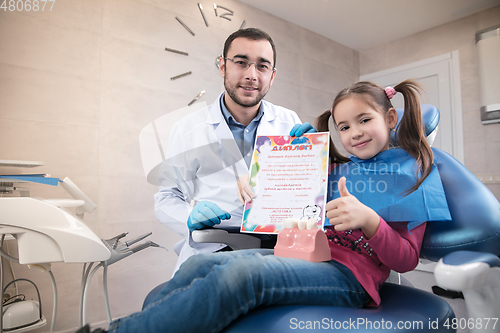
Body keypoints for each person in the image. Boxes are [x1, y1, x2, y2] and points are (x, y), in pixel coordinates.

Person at [79, 79, 451, 333]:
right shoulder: (336, 168)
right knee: (199, 262)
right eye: (343, 126)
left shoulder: (414, 174)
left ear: (390, 118)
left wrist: (371, 222)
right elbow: (284, 199)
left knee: (239, 278)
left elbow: (406, 260)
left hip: (351, 279)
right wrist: (270, 170)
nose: (354, 133)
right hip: (303, 257)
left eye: (364, 120)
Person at [155, 28, 314, 272]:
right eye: (241, 62)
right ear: (223, 66)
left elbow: (301, 194)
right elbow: (167, 197)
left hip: (276, 250)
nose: (251, 75)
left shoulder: (287, 121)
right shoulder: (188, 129)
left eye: (262, 66)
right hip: (212, 249)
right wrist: (188, 216)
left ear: (272, 76)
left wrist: (314, 160)